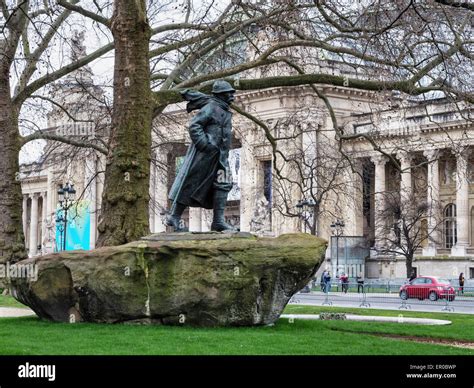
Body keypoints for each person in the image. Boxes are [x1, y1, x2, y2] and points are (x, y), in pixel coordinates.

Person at [166, 80, 237, 232]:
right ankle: (174, 216)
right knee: (190, 183)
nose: (232, 95)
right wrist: (204, 144)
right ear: (221, 94)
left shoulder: (224, 110)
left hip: (220, 156)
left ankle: (218, 221)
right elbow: (195, 125)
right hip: (205, 155)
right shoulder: (212, 107)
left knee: (223, 183)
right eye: (229, 93)